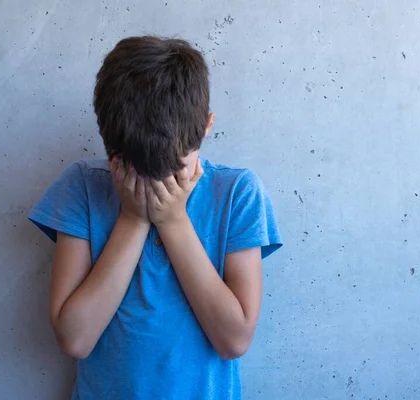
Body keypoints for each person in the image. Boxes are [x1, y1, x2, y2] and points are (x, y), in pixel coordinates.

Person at [28, 36, 282, 400]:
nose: (153, 183)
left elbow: (234, 339)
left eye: (171, 169)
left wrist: (173, 219)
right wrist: (133, 219)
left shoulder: (237, 193)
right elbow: (75, 339)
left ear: (207, 127)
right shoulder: (82, 187)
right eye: (134, 170)